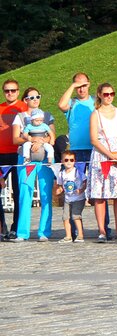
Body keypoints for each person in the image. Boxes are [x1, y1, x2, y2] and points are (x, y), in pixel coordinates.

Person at [57, 72, 99, 238]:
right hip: (76, 151)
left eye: (84, 85)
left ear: (89, 85)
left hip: (95, 148)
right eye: (78, 86)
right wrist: (73, 86)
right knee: (72, 188)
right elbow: (61, 105)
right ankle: (73, 230)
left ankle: (104, 228)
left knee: (98, 189)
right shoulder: (72, 102)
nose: (81, 89)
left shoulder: (95, 102)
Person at [11, 89, 57, 242]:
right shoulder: (20, 117)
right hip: (27, 159)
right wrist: (31, 141)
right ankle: (22, 232)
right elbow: (16, 139)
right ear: (25, 100)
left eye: (38, 96)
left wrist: (40, 142)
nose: (36, 99)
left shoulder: (47, 116)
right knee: (25, 194)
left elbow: (52, 138)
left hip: (44, 158)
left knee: (45, 195)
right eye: (32, 97)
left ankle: (44, 232)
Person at [88, 83, 117, 243]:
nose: (109, 97)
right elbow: (94, 139)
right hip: (102, 155)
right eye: (106, 94)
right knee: (100, 195)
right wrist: (109, 154)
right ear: (99, 94)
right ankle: (102, 230)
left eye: (112, 93)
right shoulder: (95, 114)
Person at [1, 78, 27, 238]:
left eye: (13, 90)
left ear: (18, 92)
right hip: (1, 154)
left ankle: (16, 228)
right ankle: (1, 226)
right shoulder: (0, 108)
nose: (10, 93)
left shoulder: (24, 108)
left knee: (19, 193)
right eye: (6, 91)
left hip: (18, 154)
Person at [55, 150, 86, 242]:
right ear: (62, 161)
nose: (69, 162)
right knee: (65, 217)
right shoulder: (61, 173)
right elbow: (60, 185)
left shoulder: (78, 172)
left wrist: (82, 189)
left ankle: (80, 235)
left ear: (74, 161)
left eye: (71, 160)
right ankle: (68, 236)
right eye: (66, 160)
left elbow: (85, 181)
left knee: (76, 216)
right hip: (67, 198)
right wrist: (59, 190)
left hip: (78, 198)